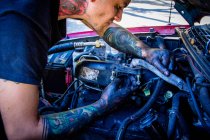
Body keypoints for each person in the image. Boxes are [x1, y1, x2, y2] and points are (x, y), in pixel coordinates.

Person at [0, 0, 170, 139]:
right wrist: (103, 105)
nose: (119, 17)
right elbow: (23, 132)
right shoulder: (21, 24)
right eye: (118, 6)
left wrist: (146, 52)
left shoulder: (55, 6)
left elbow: (105, 27)